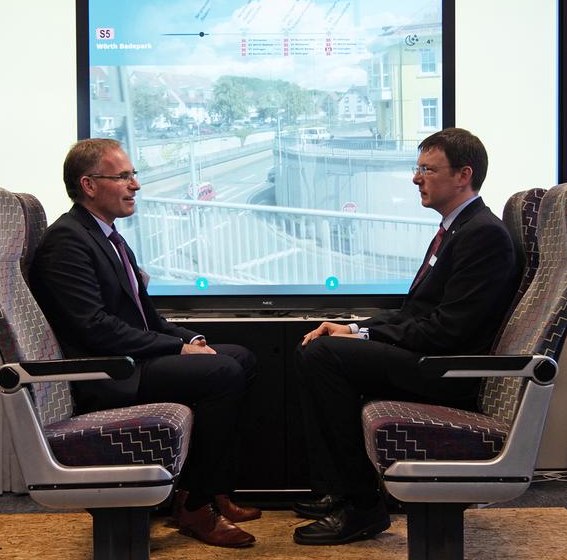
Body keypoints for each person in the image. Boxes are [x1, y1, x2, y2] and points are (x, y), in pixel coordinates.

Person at [291, 127, 519, 545]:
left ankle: (362, 507)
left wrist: (360, 339)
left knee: (323, 356)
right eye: (418, 169)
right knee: (321, 348)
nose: (417, 179)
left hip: (449, 372)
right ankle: (340, 491)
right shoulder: (456, 230)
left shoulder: (482, 235)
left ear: (463, 175)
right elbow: (417, 312)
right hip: (433, 359)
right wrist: (356, 329)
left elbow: (449, 330)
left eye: (427, 170)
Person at [30, 138, 260, 548]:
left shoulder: (109, 237)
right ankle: (195, 505)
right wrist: (176, 350)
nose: (135, 184)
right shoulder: (67, 241)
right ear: (88, 184)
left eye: (133, 174)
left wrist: (192, 338)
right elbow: (95, 328)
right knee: (222, 372)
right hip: (109, 372)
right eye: (123, 176)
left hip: (130, 359)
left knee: (240, 357)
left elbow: (145, 317)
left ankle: (207, 486)